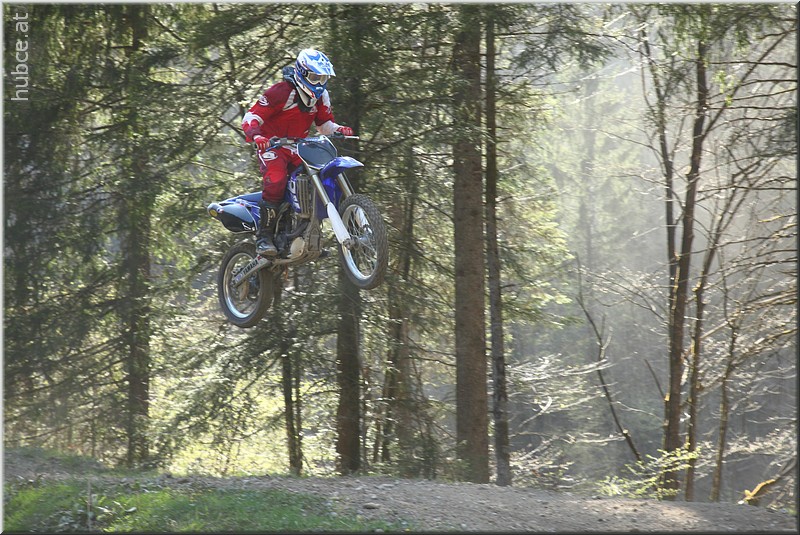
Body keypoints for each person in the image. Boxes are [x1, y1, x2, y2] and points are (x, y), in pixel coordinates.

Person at [241, 48, 354, 256]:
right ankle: (264, 237)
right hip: (273, 146)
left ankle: (305, 234)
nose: (319, 83)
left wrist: (339, 129)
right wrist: (257, 136)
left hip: (298, 148)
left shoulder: (321, 96)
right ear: (302, 73)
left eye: (323, 78)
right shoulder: (281, 92)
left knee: (313, 181)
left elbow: (324, 124)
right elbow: (251, 116)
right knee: (276, 179)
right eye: (315, 77)